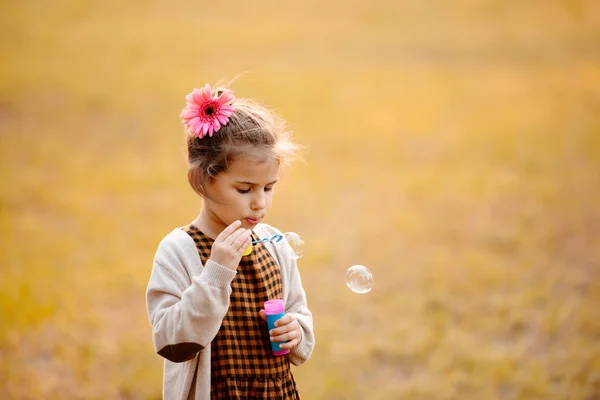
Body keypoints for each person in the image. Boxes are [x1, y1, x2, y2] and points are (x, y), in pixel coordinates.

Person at [146, 83, 315, 399]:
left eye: (268, 188)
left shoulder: (275, 246)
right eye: (244, 189)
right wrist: (216, 273)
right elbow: (171, 343)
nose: (259, 204)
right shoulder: (179, 250)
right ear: (202, 181)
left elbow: (299, 315)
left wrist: (297, 331)